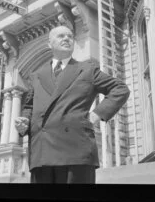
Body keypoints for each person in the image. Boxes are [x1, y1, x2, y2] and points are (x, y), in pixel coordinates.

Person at [15, 25, 130, 183]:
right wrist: (24, 122)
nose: (66, 39)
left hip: (76, 151)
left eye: (70, 36)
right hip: (41, 152)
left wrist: (97, 114)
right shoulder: (36, 75)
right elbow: (28, 107)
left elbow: (120, 89)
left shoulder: (87, 70)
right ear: (49, 44)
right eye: (61, 36)